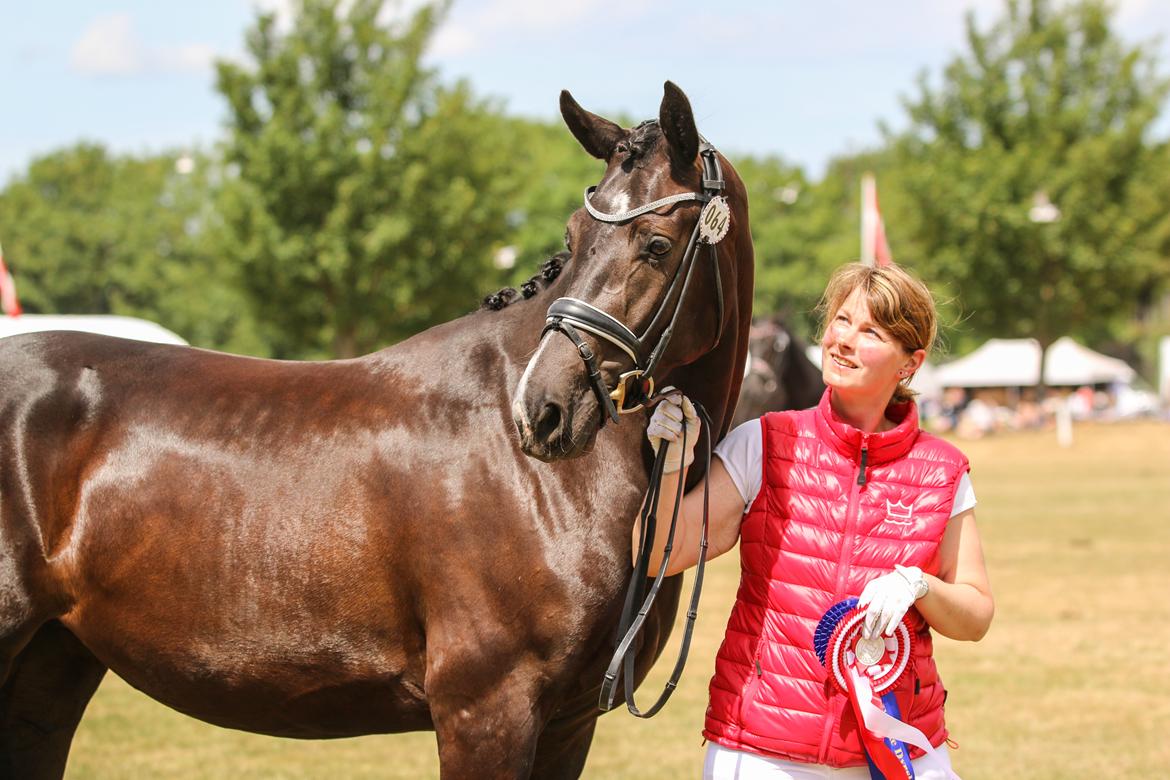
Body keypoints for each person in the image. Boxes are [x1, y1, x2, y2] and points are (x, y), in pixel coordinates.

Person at [639, 262, 994, 779]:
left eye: (870, 331)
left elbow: (977, 614)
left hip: (899, 750)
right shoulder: (764, 441)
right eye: (841, 321)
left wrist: (922, 587)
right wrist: (670, 466)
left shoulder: (943, 469)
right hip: (759, 751)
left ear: (909, 364)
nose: (844, 340)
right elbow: (656, 554)